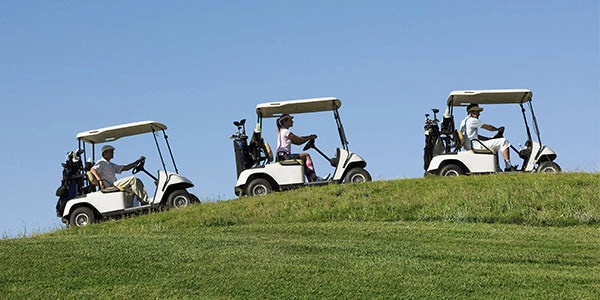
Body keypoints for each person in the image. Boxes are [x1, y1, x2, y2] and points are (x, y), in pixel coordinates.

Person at [459, 104, 517, 172]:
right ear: (472, 112)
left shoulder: (464, 121)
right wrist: (498, 129)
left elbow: (474, 136)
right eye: (477, 112)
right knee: (503, 141)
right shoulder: (472, 120)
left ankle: (497, 168)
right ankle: (508, 167)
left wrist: (487, 138)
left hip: (471, 144)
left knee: (495, 144)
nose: (479, 114)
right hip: (475, 145)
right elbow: (488, 127)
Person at [276, 114, 328, 182]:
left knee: (303, 158)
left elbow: (298, 142)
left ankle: (312, 179)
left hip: (282, 156)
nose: (292, 121)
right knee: (306, 155)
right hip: (284, 156)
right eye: (290, 120)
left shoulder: (282, 131)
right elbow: (299, 140)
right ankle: (314, 178)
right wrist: (310, 137)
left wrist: (308, 138)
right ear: (285, 121)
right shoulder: (286, 131)